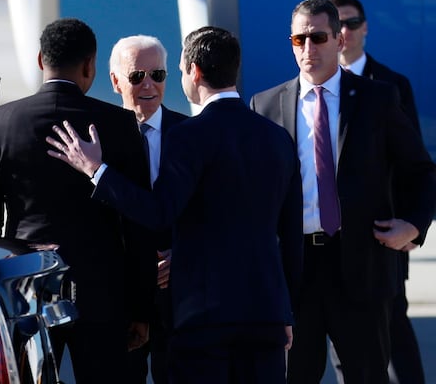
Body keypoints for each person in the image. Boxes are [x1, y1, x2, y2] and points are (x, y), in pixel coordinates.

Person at [47, 26, 304, 383]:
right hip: (266, 313)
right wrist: (286, 312)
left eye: (174, 71)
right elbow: (291, 234)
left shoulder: (188, 136)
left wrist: (97, 171)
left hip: (204, 317)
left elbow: (160, 211)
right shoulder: (277, 137)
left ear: (194, 71)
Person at [249, 0, 436, 384]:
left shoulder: (377, 98)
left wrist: (414, 226)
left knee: (367, 375)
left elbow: (420, 171)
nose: (308, 49)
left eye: (318, 38)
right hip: (296, 273)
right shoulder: (265, 106)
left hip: (361, 266)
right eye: (299, 40)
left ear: (339, 38)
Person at [0, 18, 155, 383]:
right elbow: (138, 227)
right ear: (90, 65)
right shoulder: (118, 124)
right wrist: (142, 309)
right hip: (103, 299)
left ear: (41, 60)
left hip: (26, 294)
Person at [327, 0, 426, 384]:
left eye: (351, 23)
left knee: (393, 325)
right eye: (337, 26)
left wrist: (412, 225)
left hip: (384, 233)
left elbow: (413, 164)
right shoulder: (311, 90)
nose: (345, 32)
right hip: (332, 239)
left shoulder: (391, 85)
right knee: (344, 341)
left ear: (365, 27)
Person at [108, 34, 188, 384]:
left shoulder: (191, 134)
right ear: (115, 81)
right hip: (123, 296)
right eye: (137, 76)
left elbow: (211, 212)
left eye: (158, 75)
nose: (150, 85)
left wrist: (182, 255)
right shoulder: (99, 141)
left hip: (179, 295)